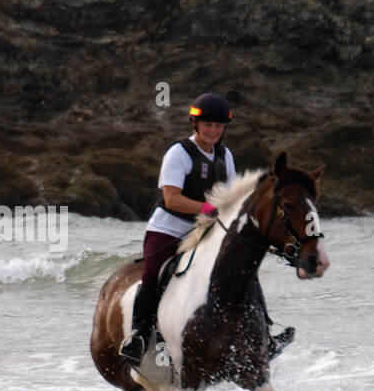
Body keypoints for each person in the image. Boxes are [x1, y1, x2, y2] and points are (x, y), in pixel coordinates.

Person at [118, 91, 293, 364]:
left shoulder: (226, 156)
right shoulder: (179, 154)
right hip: (170, 229)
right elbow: (171, 198)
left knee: (245, 267)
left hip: (208, 230)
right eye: (208, 125)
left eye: (218, 126)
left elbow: (233, 197)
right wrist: (208, 209)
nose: (213, 131)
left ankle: (265, 336)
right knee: (153, 274)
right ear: (196, 125)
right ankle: (138, 335)